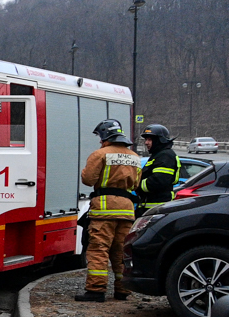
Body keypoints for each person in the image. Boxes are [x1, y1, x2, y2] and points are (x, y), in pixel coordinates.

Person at [77, 119, 141, 302]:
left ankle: (96, 290)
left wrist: (85, 171)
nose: (99, 141)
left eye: (100, 137)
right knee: (121, 252)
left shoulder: (100, 154)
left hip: (104, 210)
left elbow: (88, 180)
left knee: (99, 249)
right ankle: (123, 290)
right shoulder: (134, 157)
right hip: (127, 210)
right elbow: (136, 184)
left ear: (106, 137)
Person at [137, 123, 180, 216]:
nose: (146, 143)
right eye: (146, 139)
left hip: (157, 210)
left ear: (159, 140)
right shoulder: (158, 155)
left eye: (149, 139)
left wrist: (138, 185)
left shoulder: (165, 155)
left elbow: (159, 181)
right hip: (150, 208)